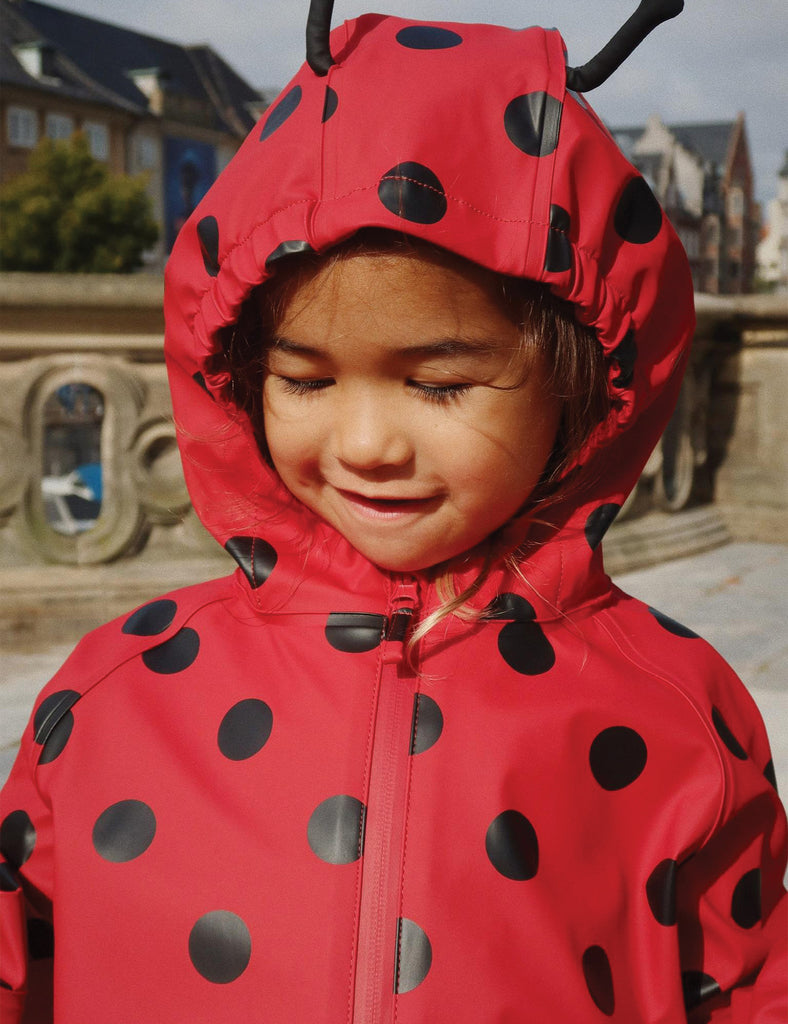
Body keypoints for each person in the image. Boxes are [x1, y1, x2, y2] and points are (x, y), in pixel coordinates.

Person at [1, 4, 785, 1021]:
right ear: (239, 376)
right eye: (306, 378)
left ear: (585, 384)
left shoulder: (674, 711)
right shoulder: (113, 694)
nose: (366, 442)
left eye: (439, 384)